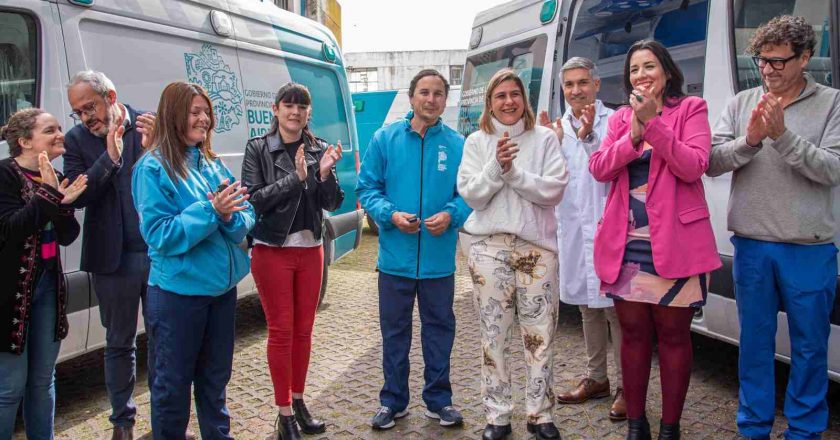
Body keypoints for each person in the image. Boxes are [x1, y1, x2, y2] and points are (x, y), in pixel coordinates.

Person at [707, 16, 840, 440]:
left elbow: (832, 169)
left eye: (779, 62)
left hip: (810, 247)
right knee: (755, 346)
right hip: (751, 245)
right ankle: (753, 427)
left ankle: (803, 430)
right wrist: (749, 142)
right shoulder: (740, 102)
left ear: (805, 57)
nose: (768, 70)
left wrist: (782, 137)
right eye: (762, 60)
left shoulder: (833, 103)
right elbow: (711, 162)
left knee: (809, 348)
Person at [589, 40, 721, 440]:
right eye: (634, 69)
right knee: (632, 336)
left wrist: (655, 125)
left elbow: (693, 165)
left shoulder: (690, 110)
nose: (641, 75)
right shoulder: (619, 119)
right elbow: (598, 168)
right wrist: (632, 135)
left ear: (665, 72)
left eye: (649, 67)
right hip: (628, 246)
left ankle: (670, 427)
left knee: (675, 337)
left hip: (677, 245)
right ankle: (635, 423)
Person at [131, 82, 255, 439]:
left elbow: (246, 215)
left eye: (207, 112)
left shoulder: (213, 165)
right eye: (195, 112)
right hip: (178, 297)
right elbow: (160, 235)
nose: (205, 119)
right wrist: (212, 211)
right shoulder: (151, 170)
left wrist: (231, 218)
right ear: (173, 116)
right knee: (172, 387)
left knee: (215, 381)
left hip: (220, 292)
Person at [356, 69, 471, 431]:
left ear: (445, 99)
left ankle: (439, 401)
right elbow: (367, 188)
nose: (431, 99)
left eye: (438, 93)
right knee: (394, 333)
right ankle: (393, 401)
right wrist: (389, 214)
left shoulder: (457, 144)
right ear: (411, 97)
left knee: (439, 331)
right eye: (424, 92)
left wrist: (452, 215)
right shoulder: (384, 139)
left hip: (439, 263)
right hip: (395, 262)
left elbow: (468, 194)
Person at [458, 68, 568, 440]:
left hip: (537, 249)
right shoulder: (476, 142)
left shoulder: (545, 140)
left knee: (540, 334)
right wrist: (495, 167)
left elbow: (553, 191)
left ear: (524, 99)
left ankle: (540, 414)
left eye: (514, 94)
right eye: (500, 95)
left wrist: (514, 172)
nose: (508, 102)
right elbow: (472, 195)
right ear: (490, 103)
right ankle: (497, 415)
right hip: (489, 248)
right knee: (494, 335)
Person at [241, 82, 344, 440]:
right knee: (282, 331)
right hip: (273, 251)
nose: (295, 111)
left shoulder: (318, 148)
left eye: (302, 106)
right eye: (289, 105)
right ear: (275, 109)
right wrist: (296, 178)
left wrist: (326, 173)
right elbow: (253, 200)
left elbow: (333, 203)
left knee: (304, 331)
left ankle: (299, 401)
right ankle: (283, 412)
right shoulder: (258, 149)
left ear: (308, 112)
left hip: (311, 250)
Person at [62, 70, 157, 440]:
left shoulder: (150, 125)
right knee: (119, 343)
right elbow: (78, 196)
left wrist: (155, 151)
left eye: (90, 107)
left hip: (156, 254)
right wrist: (110, 157)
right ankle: (123, 423)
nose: (86, 117)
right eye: (78, 111)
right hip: (111, 262)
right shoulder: (76, 141)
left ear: (111, 96)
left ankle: (169, 417)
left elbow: (175, 177)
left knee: (164, 339)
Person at [540, 57, 625, 421]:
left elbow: (612, 167)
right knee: (588, 309)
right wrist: (549, 145)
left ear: (596, 85)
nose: (576, 91)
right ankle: (596, 378)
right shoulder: (557, 129)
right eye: (569, 85)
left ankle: (627, 386)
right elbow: (548, 180)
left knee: (618, 312)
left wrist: (588, 138)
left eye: (582, 83)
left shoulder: (615, 122)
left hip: (610, 227)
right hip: (575, 231)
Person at [0, 108, 86, 439]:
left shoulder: (55, 175)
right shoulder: (5, 176)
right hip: (11, 299)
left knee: (43, 379)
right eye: (50, 130)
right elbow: (11, 229)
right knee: (9, 387)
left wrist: (63, 205)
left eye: (60, 128)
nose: (60, 134)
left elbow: (66, 235)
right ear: (24, 141)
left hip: (49, 287)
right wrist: (50, 196)